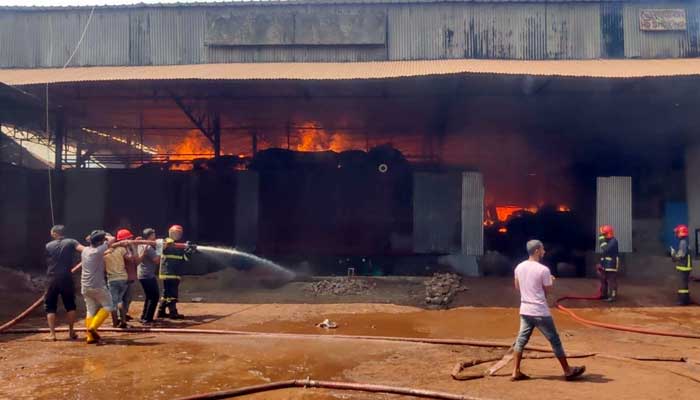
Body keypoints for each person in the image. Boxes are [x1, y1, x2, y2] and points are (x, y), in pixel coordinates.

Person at [511, 240, 585, 381]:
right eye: (543, 249)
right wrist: (549, 280)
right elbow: (547, 291)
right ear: (537, 250)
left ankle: (515, 371)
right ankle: (567, 371)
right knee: (555, 341)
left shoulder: (519, 267)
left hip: (525, 310)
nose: (544, 251)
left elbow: (517, 286)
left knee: (521, 341)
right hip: (540, 311)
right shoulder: (543, 270)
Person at [44, 225, 84, 341]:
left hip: (51, 278)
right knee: (70, 305)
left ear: (55, 233)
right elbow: (84, 250)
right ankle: (71, 332)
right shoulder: (71, 242)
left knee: (50, 306)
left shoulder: (48, 245)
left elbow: (47, 260)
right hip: (67, 277)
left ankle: (52, 334)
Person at [81, 230, 116, 344]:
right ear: (101, 241)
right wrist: (105, 236)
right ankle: (93, 327)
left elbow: (90, 240)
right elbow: (112, 239)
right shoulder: (99, 250)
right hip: (97, 285)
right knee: (108, 305)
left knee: (90, 309)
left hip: (85, 286)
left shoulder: (85, 250)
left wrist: (95, 236)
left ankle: (90, 337)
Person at [157, 224, 193, 320]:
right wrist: (170, 243)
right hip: (169, 272)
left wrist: (189, 251)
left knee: (166, 293)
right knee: (172, 293)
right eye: (176, 233)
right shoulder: (166, 242)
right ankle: (173, 312)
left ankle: (161, 311)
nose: (178, 235)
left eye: (180, 233)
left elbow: (185, 258)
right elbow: (159, 250)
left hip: (175, 272)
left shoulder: (179, 245)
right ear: (171, 233)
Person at [104, 229, 137, 328]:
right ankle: (123, 322)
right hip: (123, 278)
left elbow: (102, 267)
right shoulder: (121, 250)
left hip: (112, 279)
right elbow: (131, 257)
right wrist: (129, 247)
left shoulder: (103, 253)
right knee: (120, 301)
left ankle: (115, 323)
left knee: (114, 302)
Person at [138, 228, 161, 323]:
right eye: (153, 235)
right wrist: (160, 249)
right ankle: (148, 318)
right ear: (150, 236)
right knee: (154, 296)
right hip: (148, 275)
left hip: (142, 274)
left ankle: (144, 316)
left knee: (149, 296)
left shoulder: (141, 245)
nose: (154, 236)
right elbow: (157, 260)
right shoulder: (148, 248)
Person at [670, 224, 692, 306]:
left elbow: (681, 255)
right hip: (685, 266)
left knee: (682, 285)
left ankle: (683, 301)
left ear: (680, 233)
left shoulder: (683, 243)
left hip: (684, 267)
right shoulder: (684, 242)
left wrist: (674, 255)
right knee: (684, 284)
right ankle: (686, 299)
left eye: (677, 232)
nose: (676, 234)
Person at [597, 225, 620, 302]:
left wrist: (600, 238)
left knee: (612, 280)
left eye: (603, 234)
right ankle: (604, 295)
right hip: (605, 264)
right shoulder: (607, 241)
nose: (602, 235)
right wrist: (600, 263)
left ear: (607, 233)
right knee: (603, 279)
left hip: (611, 264)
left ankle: (613, 297)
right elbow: (604, 253)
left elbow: (605, 249)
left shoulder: (613, 241)